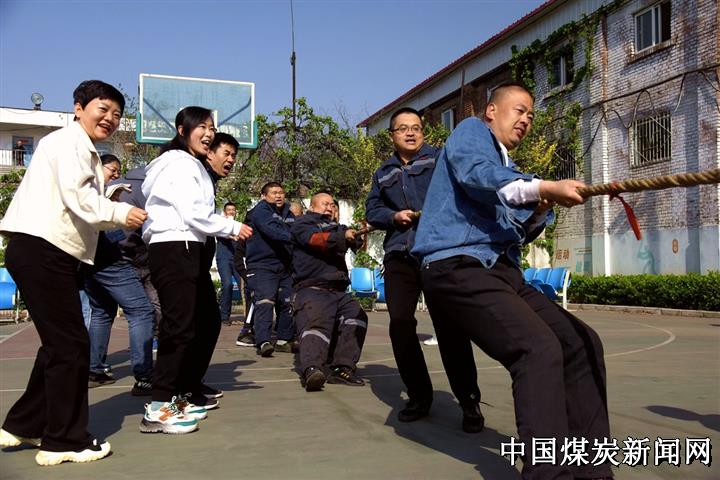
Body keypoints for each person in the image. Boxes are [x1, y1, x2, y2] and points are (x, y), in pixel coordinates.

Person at [412, 82, 612, 480]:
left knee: (581, 342)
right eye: (519, 110)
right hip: (456, 265)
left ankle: (592, 471)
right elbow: (479, 175)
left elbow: (518, 230)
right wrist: (542, 186)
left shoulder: (511, 169)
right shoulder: (471, 132)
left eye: (531, 116)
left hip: (500, 271)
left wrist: (539, 207)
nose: (526, 120)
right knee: (537, 348)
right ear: (492, 111)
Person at [0, 80, 146, 465]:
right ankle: (64, 440)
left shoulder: (79, 148)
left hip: (48, 252)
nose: (110, 118)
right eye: (103, 109)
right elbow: (79, 199)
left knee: (59, 345)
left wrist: (108, 199)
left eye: (117, 114)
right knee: (70, 346)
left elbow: (78, 201)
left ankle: (25, 423)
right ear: (78, 108)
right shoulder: (69, 143)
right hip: (43, 250)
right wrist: (120, 212)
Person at [365, 107, 483, 432]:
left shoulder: (440, 159)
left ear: (423, 132)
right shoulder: (383, 172)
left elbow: (463, 188)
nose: (410, 132)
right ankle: (419, 396)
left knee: (449, 325)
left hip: (438, 251)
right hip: (399, 254)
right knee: (400, 323)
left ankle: (469, 400)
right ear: (392, 135)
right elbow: (372, 209)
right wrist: (393, 216)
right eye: (403, 128)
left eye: (416, 127)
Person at [140, 106, 252, 434]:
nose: (208, 133)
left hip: (182, 246)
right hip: (176, 246)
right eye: (201, 127)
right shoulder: (180, 164)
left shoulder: (186, 163)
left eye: (211, 128)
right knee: (178, 328)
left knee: (187, 326)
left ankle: (175, 399)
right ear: (181, 130)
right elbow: (193, 213)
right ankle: (159, 407)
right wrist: (233, 227)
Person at [84, 154, 156, 396]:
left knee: (102, 312)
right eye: (111, 170)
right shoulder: (145, 187)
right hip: (112, 256)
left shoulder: (98, 188)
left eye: (117, 170)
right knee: (142, 311)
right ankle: (144, 376)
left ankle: (94, 370)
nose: (115, 175)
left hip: (91, 255)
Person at [291, 192, 367, 391]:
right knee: (316, 324)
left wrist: (358, 234)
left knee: (356, 317)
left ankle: (343, 368)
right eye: (325, 204)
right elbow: (315, 240)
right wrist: (342, 236)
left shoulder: (339, 227)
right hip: (312, 287)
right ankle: (312, 369)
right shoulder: (302, 223)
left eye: (332, 205)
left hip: (339, 290)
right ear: (312, 206)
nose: (330, 207)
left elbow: (358, 244)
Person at [244, 182, 295, 356]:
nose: (278, 195)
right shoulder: (260, 211)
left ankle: (284, 340)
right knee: (265, 302)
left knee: (288, 302)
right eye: (274, 192)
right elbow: (273, 231)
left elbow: (296, 230)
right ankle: (263, 341)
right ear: (264, 196)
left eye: (281, 192)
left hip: (285, 266)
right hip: (262, 265)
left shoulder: (288, 213)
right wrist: (296, 237)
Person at [216, 202, 242, 326]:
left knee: (244, 286)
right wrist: (232, 237)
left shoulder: (239, 225)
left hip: (237, 259)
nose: (231, 212)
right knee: (227, 284)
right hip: (224, 258)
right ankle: (224, 317)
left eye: (233, 210)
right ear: (225, 212)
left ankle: (250, 318)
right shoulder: (220, 224)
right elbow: (222, 234)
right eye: (229, 210)